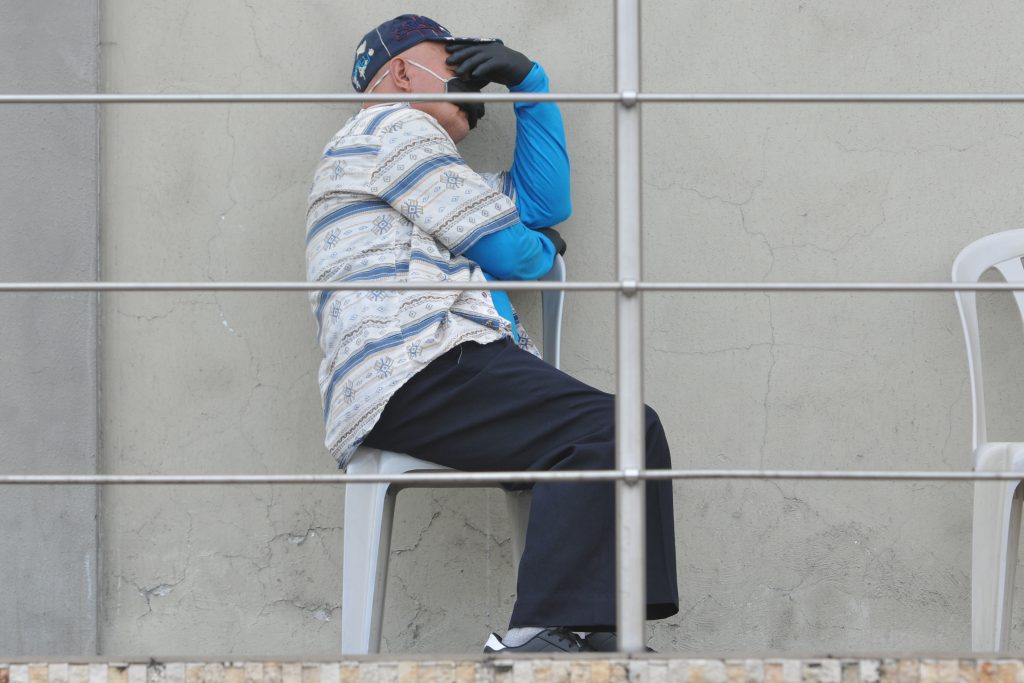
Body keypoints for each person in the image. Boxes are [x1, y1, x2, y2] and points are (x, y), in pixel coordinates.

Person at [306, 14, 678, 653]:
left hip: (429, 373)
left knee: (625, 431)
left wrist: (531, 85)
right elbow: (516, 252)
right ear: (401, 74)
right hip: (420, 364)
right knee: (610, 431)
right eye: (453, 66)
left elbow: (542, 205)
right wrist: (539, 249)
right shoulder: (391, 129)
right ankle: (540, 637)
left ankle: (595, 633)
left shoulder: (426, 169)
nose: (471, 85)